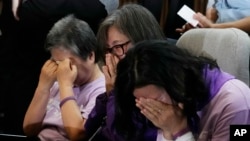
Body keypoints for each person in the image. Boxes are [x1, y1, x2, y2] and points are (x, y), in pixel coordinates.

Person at [87, 39, 250, 141]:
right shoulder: (165, 104)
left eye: (155, 101)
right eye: (141, 103)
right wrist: (167, 131)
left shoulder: (236, 103)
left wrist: (179, 131)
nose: (149, 109)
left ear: (176, 81)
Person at [22, 15, 106, 141]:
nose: (62, 69)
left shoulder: (102, 90)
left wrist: (65, 86)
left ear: (90, 55)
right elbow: (29, 129)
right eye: (56, 62)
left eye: (68, 63)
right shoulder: (58, 80)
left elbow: (77, 135)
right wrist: (43, 88)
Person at [97, 3, 166, 93]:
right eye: (108, 50)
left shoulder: (162, 86)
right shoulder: (118, 81)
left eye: (117, 46)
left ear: (141, 41)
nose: (111, 58)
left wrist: (114, 93)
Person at [176, 0, 250, 34]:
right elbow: (209, 23)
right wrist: (197, 27)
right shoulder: (213, 2)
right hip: (217, 40)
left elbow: (212, 26)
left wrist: (212, 26)